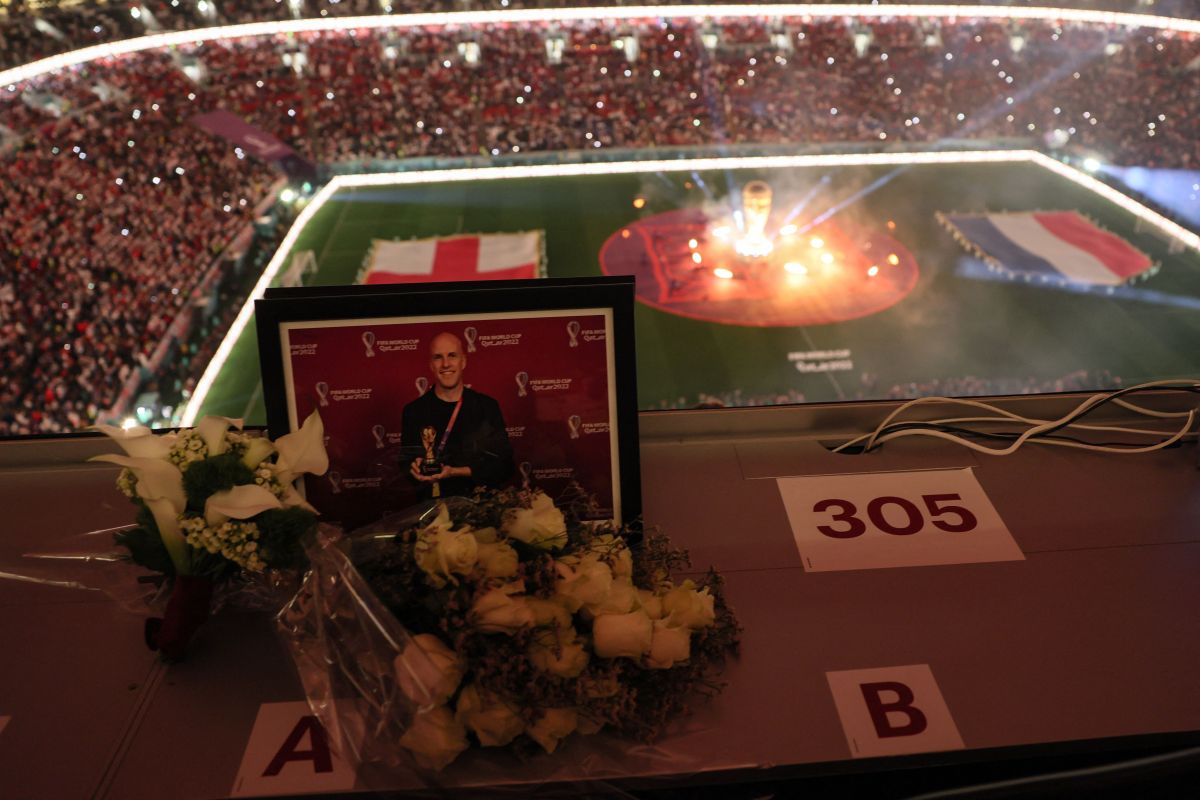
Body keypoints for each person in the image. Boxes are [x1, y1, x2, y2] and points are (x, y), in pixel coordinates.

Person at [401, 331, 514, 498]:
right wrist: (414, 468)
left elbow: (505, 466)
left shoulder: (486, 406)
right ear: (431, 365)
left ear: (463, 361)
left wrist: (455, 472)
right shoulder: (413, 411)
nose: (446, 364)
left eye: (452, 355)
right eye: (438, 357)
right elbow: (405, 464)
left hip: (481, 509)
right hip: (433, 512)